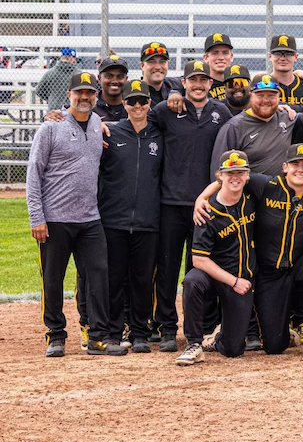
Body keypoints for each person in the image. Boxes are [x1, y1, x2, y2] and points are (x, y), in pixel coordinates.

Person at [192, 143, 303, 360]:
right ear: (284, 167)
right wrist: (201, 198)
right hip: (270, 272)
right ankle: (225, 333)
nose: (300, 169)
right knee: (274, 345)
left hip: (301, 262)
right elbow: (230, 178)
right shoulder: (267, 185)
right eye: (295, 164)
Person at [28, 71, 119, 357]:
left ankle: (98, 336)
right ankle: (55, 334)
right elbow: (34, 173)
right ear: (69, 95)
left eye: (90, 93)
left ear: (96, 96)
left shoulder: (96, 124)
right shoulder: (51, 127)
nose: (84, 97)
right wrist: (37, 217)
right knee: (53, 278)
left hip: (89, 217)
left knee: (97, 277)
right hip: (55, 218)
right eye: (79, 93)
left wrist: (103, 124)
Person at [150, 61, 234, 352]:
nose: (198, 85)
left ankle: (201, 327)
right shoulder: (166, 110)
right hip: (172, 203)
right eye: (192, 80)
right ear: (183, 82)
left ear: (211, 83)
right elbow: (134, 121)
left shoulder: (220, 112)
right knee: (168, 269)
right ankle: (167, 328)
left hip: (206, 205)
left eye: (203, 80)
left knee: (198, 272)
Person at [98, 80, 162, 354]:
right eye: (131, 101)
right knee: (114, 279)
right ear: (123, 104)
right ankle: (113, 332)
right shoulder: (109, 132)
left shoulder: (159, 134)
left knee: (142, 279)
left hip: (148, 221)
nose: (137, 106)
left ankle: (139, 332)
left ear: (150, 103)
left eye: (143, 101)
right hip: (114, 219)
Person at [177, 150, 256, 365]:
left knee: (233, 349)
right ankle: (194, 342)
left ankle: (219, 337)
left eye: (240, 172)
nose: (235, 177)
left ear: (248, 175)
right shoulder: (206, 210)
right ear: (219, 175)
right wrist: (234, 281)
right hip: (217, 276)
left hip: (242, 275)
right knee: (192, 281)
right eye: (229, 172)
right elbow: (199, 260)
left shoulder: (252, 196)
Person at [210, 75, 295, 177]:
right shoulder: (234, 127)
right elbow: (218, 172)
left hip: (282, 191)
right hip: (248, 191)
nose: (266, 100)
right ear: (251, 96)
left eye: (271, 95)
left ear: (279, 97)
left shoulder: (288, 118)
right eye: (260, 95)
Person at [267, 34, 303, 107]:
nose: (283, 58)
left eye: (288, 54)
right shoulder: (262, 85)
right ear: (270, 56)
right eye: (278, 54)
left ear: (296, 57)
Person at [35, 48, 79, 112]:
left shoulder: (50, 73)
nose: (75, 61)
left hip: (54, 110)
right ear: (71, 58)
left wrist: (51, 98)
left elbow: (39, 91)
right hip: (73, 110)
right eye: (75, 59)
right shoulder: (78, 74)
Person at [94, 54, 129, 122]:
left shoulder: (134, 107)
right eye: (109, 76)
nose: (115, 81)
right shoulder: (91, 107)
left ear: (126, 79)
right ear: (99, 78)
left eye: (120, 77)